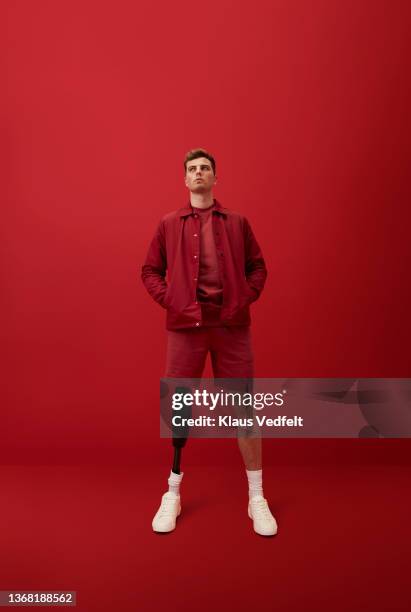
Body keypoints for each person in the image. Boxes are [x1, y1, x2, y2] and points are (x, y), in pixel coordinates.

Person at [141, 148, 277, 536]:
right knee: (179, 409)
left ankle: (256, 497)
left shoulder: (237, 222)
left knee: (243, 409)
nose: (199, 173)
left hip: (231, 325)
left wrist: (243, 297)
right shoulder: (169, 223)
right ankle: (173, 491)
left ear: (216, 178)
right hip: (186, 326)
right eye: (192, 169)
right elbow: (150, 269)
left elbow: (258, 267)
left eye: (205, 168)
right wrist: (172, 299)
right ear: (185, 180)